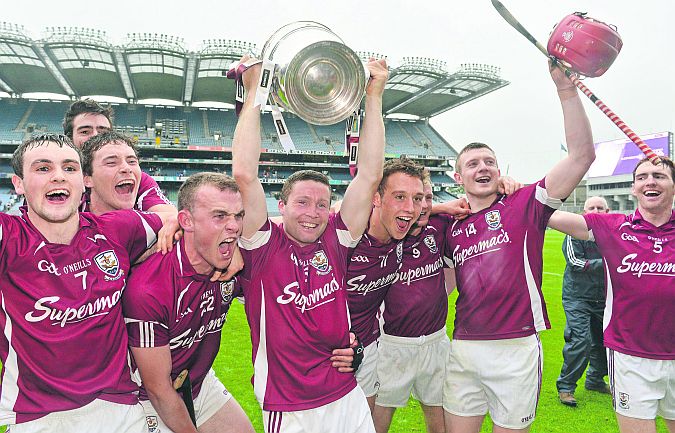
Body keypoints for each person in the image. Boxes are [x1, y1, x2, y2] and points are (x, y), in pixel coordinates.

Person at [231, 56, 389, 433]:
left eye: (321, 204)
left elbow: (369, 175)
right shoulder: (261, 245)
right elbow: (243, 174)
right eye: (301, 203)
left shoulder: (336, 238)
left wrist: (374, 95)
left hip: (345, 391)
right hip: (290, 404)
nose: (312, 213)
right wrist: (254, 91)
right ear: (281, 206)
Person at [441, 63, 595, 433]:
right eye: (473, 164)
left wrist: (566, 91)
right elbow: (442, 286)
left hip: (515, 349)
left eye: (490, 162)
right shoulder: (451, 225)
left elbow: (581, 156)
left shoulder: (524, 204)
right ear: (457, 177)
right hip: (463, 347)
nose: (484, 168)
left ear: (499, 170)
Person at [0, 133, 162, 432]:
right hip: (39, 417)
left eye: (70, 168)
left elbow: (172, 219)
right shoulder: (9, 239)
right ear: (19, 184)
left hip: (120, 408)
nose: (58, 177)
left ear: (82, 181)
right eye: (43, 168)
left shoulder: (119, 229)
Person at [548, 157, 674, 433]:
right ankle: (569, 385)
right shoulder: (613, 225)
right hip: (631, 357)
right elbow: (546, 214)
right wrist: (511, 190)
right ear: (633, 189)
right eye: (641, 177)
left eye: (659, 176)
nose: (650, 181)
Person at [123, 172, 255, 433]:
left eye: (238, 215)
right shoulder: (150, 288)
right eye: (220, 216)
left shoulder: (232, 263)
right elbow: (158, 389)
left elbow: (289, 231)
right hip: (147, 400)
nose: (234, 226)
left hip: (199, 382)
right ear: (185, 221)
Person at [372, 173, 453, 433]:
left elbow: (476, 204)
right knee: (376, 424)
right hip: (392, 347)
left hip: (436, 343)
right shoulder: (383, 232)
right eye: (417, 199)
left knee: (440, 423)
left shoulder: (439, 227)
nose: (423, 205)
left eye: (427, 198)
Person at [345, 157, 426, 411]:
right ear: (377, 198)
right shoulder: (347, 236)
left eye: (417, 198)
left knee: (364, 425)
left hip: (368, 347)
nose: (411, 208)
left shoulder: (402, 232)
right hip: (331, 352)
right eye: (399, 196)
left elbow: (425, 213)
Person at [556, 196, 611, 407]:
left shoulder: (612, 234)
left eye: (600, 207)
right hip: (577, 297)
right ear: (583, 211)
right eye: (591, 207)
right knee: (581, 340)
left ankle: (595, 380)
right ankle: (566, 387)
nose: (595, 210)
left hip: (604, 298)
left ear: (607, 211)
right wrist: (607, 263)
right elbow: (575, 262)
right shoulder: (574, 234)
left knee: (606, 342)